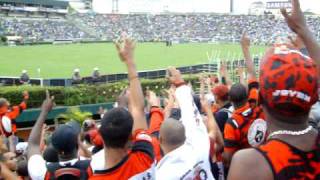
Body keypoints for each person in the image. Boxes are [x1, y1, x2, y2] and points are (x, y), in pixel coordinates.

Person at [228, 0, 320, 179]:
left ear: (260, 98)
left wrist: (303, 30)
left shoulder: (249, 165)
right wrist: (304, 31)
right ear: (315, 97)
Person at [89, 36, 156, 179]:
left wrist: (129, 62)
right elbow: (138, 108)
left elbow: (138, 108)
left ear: (101, 136)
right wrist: (130, 62)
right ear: (131, 139)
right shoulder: (145, 158)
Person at [156, 67, 215, 180]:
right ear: (185, 136)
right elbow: (192, 118)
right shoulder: (200, 148)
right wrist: (180, 84)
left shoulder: (161, 174)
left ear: (160, 140)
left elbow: (191, 119)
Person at [27, 90, 93, 180]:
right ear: (78, 145)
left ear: (54, 147)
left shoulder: (42, 172)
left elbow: (32, 144)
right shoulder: (94, 166)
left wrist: (44, 111)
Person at [223, 83, 266, 168]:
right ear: (247, 97)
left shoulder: (232, 124)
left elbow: (228, 158)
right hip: (264, 159)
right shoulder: (260, 111)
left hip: (245, 166)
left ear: (230, 99)